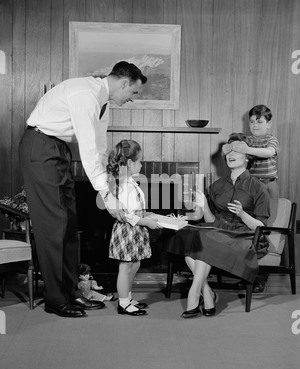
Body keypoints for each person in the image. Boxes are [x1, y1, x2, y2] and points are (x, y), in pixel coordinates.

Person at [19, 61, 147, 318]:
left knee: (69, 224)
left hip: (57, 149)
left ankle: (72, 292)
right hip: (41, 146)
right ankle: (55, 299)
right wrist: (107, 197)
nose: (132, 99)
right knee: (53, 226)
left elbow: (99, 146)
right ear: (123, 83)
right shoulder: (85, 95)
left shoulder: (103, 101)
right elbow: (88, 151)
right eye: (133, 92)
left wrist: (110, 186)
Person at [166, 134, 270, 318]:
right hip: (218, 232)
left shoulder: (258, 187)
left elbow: (261, 226)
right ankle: (207, 292)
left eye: (236, 150)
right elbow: (211, 219)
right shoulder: (217, 186)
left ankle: (194, 294)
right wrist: (204, 204)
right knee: (187, 234)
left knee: (204, 240)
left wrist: (242, 214)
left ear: (247, 156)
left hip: (245, 237)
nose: (230, 154)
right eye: (228, 150)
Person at [223, 105, 279, 292]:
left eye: (260, 121)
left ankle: (260, 277)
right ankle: (248, 275)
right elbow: (226, 148)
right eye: (252, 121)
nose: (255, 125)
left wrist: (247, 148)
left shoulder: (271, 140)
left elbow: (268, 153)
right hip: (251, 188)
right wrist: (231, 146)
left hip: (268, 187)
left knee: (263, 230)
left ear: (268, 124)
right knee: (249, 229)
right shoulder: (246, 140)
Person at [107, 140, 161, 316]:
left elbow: (136, 209)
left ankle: (128, 297)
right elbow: (129, 215)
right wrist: (148, 223)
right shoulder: (124, 186)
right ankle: (123, 303)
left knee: (135, 263)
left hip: (136, 230)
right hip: (128, 231)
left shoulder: (131, 183)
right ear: (130, 163)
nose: (142, 164)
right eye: (139, 161)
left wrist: (148, 215)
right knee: (126, 266)